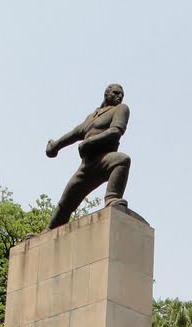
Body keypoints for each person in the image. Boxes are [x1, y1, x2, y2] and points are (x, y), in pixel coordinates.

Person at [45, 84, 131, 229]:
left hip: (103, 159)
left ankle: (111, 198)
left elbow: (116, 131)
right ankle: (49, 230)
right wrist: (56, 145)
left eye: (122, 95)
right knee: (65, 202)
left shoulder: (121, 109)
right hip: (86, 166)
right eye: (116, 93)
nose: (120, 96)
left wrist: (91, 141)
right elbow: (75, 133)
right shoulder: (91, 117)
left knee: (121, 160)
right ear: (106, 93)